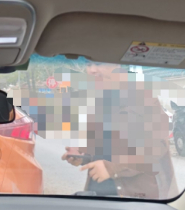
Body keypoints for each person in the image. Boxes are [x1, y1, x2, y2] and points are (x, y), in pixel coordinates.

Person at [60, 61, 178, 199]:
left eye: (98, 63)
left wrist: (112, 168)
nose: (92, 70)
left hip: (137, 198)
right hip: (97, 194)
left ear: (117, 63)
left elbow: (157, 145)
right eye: (88, 64)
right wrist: (83, 156)